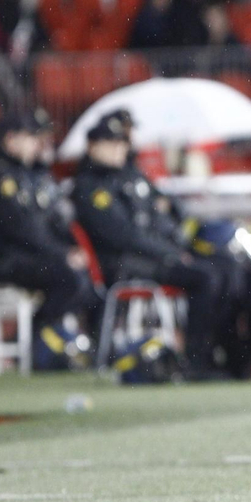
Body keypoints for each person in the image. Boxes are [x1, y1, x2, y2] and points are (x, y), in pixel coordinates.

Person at [72, 114, 228, 378]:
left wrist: (175, 247)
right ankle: (195, 360)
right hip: (124, 264)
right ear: (92, 147)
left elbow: (168, 209)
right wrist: (172, 254)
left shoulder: (130, 175)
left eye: (121, 143)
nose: (119, 150)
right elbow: (125, 236)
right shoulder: (89, 186)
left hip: (151, 256)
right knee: (206, 278)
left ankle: (230, 356)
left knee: (228, 270)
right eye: (111, 144)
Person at [0, 112, 97, 366]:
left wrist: (70, 249)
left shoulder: (30, 173)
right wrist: (63, 254)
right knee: (69, 278)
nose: (40, 144)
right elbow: (20, 229)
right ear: (11, 140)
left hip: (30, 256)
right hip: (1, 259)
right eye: (33, 138)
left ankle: (46, 345)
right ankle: (28, 344)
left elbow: (52, 224)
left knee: (86, 279)